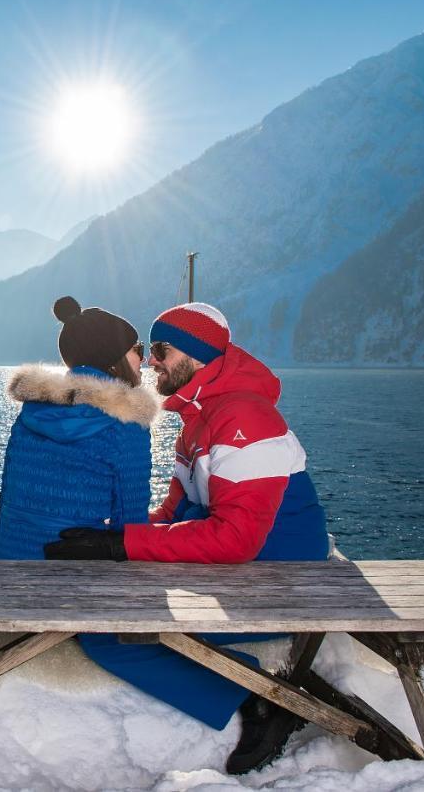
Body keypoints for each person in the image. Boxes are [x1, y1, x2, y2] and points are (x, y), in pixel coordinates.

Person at [45, 301, 331, 774]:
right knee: (107, 603)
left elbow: (235, 540)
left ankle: (262, 699)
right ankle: (251, 689)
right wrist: (109, 534)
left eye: (161, 349)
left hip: (283, 578)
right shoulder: (199, 421)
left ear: (197, 355)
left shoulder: (244, 419)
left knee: (107, 632)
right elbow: (175, 514)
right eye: (150, 350)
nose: (151, 361)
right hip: (243, 569)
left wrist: (122, 546)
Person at [0, 295, 157, 565]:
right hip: (81, 573)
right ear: (113, 359)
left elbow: (9, 493)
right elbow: (131, 521)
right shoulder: (126, 420)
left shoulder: (32, 411)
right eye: (137, 349)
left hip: (11, 560)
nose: (144, 359)